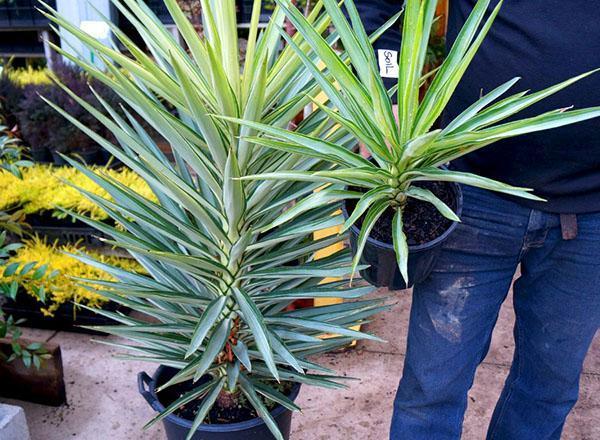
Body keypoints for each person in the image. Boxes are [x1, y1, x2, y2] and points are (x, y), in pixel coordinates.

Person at [354, 1, 600, 439]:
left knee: (548, 391)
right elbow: (378, 6)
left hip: (592, 212)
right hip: (470, 192)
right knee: (432, 389)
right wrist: (385, 90)